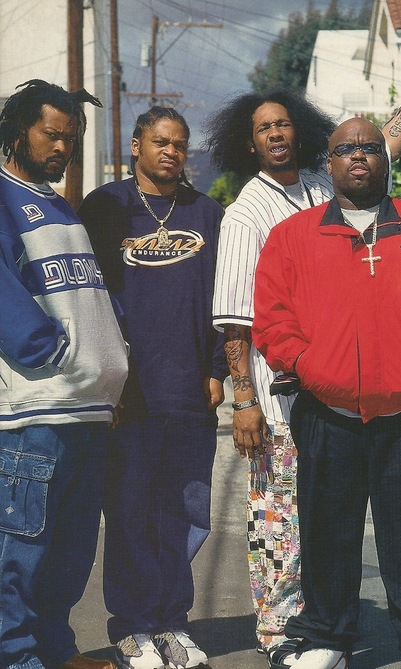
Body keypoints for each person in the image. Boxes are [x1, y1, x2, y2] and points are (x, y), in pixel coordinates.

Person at [206, 18, 401, 660]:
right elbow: (250, 317)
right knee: (314, 532)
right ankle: (313, 637)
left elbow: (380, 140)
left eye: (284, 124)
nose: (276, 134)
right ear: (247, 143)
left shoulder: (342, 193)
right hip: (304, 402)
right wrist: (275, 382)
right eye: (263, 129)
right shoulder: (257, 217)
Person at [252, 115, 401, 669]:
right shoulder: (293, 235)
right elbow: (272, 316)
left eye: (370, 147)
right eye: (345, 149)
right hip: (327, 411)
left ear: (384, 159)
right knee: (328, 530)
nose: (358, 156)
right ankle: (328, 639)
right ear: (328, 164)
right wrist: (306, 364)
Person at [78, 106, 227, 669]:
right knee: (130, 512)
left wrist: (217, 370)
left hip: (190, 392)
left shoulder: (206, 212)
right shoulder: (107, 207)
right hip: (130, 394)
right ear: (137, 144)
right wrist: (107, 380)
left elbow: (226, 298)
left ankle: (171, 623)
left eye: (180, 144)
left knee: (185, 512)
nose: (171, 152)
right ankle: (133, 628)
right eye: (161, 142)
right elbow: (89, 296)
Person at [0, 80, 128, 669]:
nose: (62, 148)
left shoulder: (57, 204)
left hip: (86, 409)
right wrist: (55, 353)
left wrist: (109, 362)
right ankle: (16, 658)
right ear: (17, 131)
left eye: (70, 139)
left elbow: (87, 294)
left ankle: (55, 650)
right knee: (19, 551)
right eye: (51, 135)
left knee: (69, 550)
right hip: (35, 412)